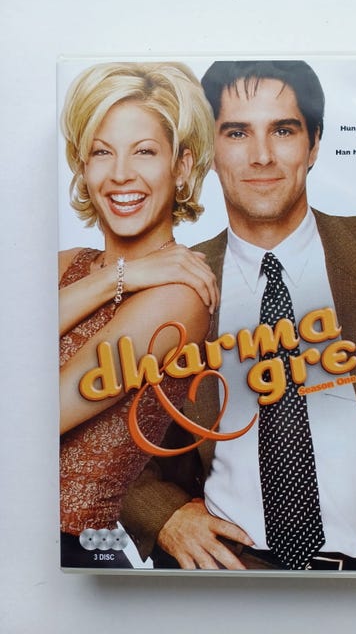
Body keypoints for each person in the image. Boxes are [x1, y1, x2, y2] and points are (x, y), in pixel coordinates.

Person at [120, 60, 356, 572]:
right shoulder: (171, 287)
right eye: (237, 133)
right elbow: (106, 443)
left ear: (314, 144)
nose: (261, 156)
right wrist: (165, 515)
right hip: (236, 573)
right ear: (209, 151)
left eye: (283, 130)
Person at [59, 61, 220, 568]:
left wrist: (126, 276)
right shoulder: (68, 266)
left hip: (79, 552)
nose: (120, 173)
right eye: (101, 151)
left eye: (144, 151)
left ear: (182, 166)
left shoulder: (180, 296)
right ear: (83, 167)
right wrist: (118, 275)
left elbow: (35, 412)